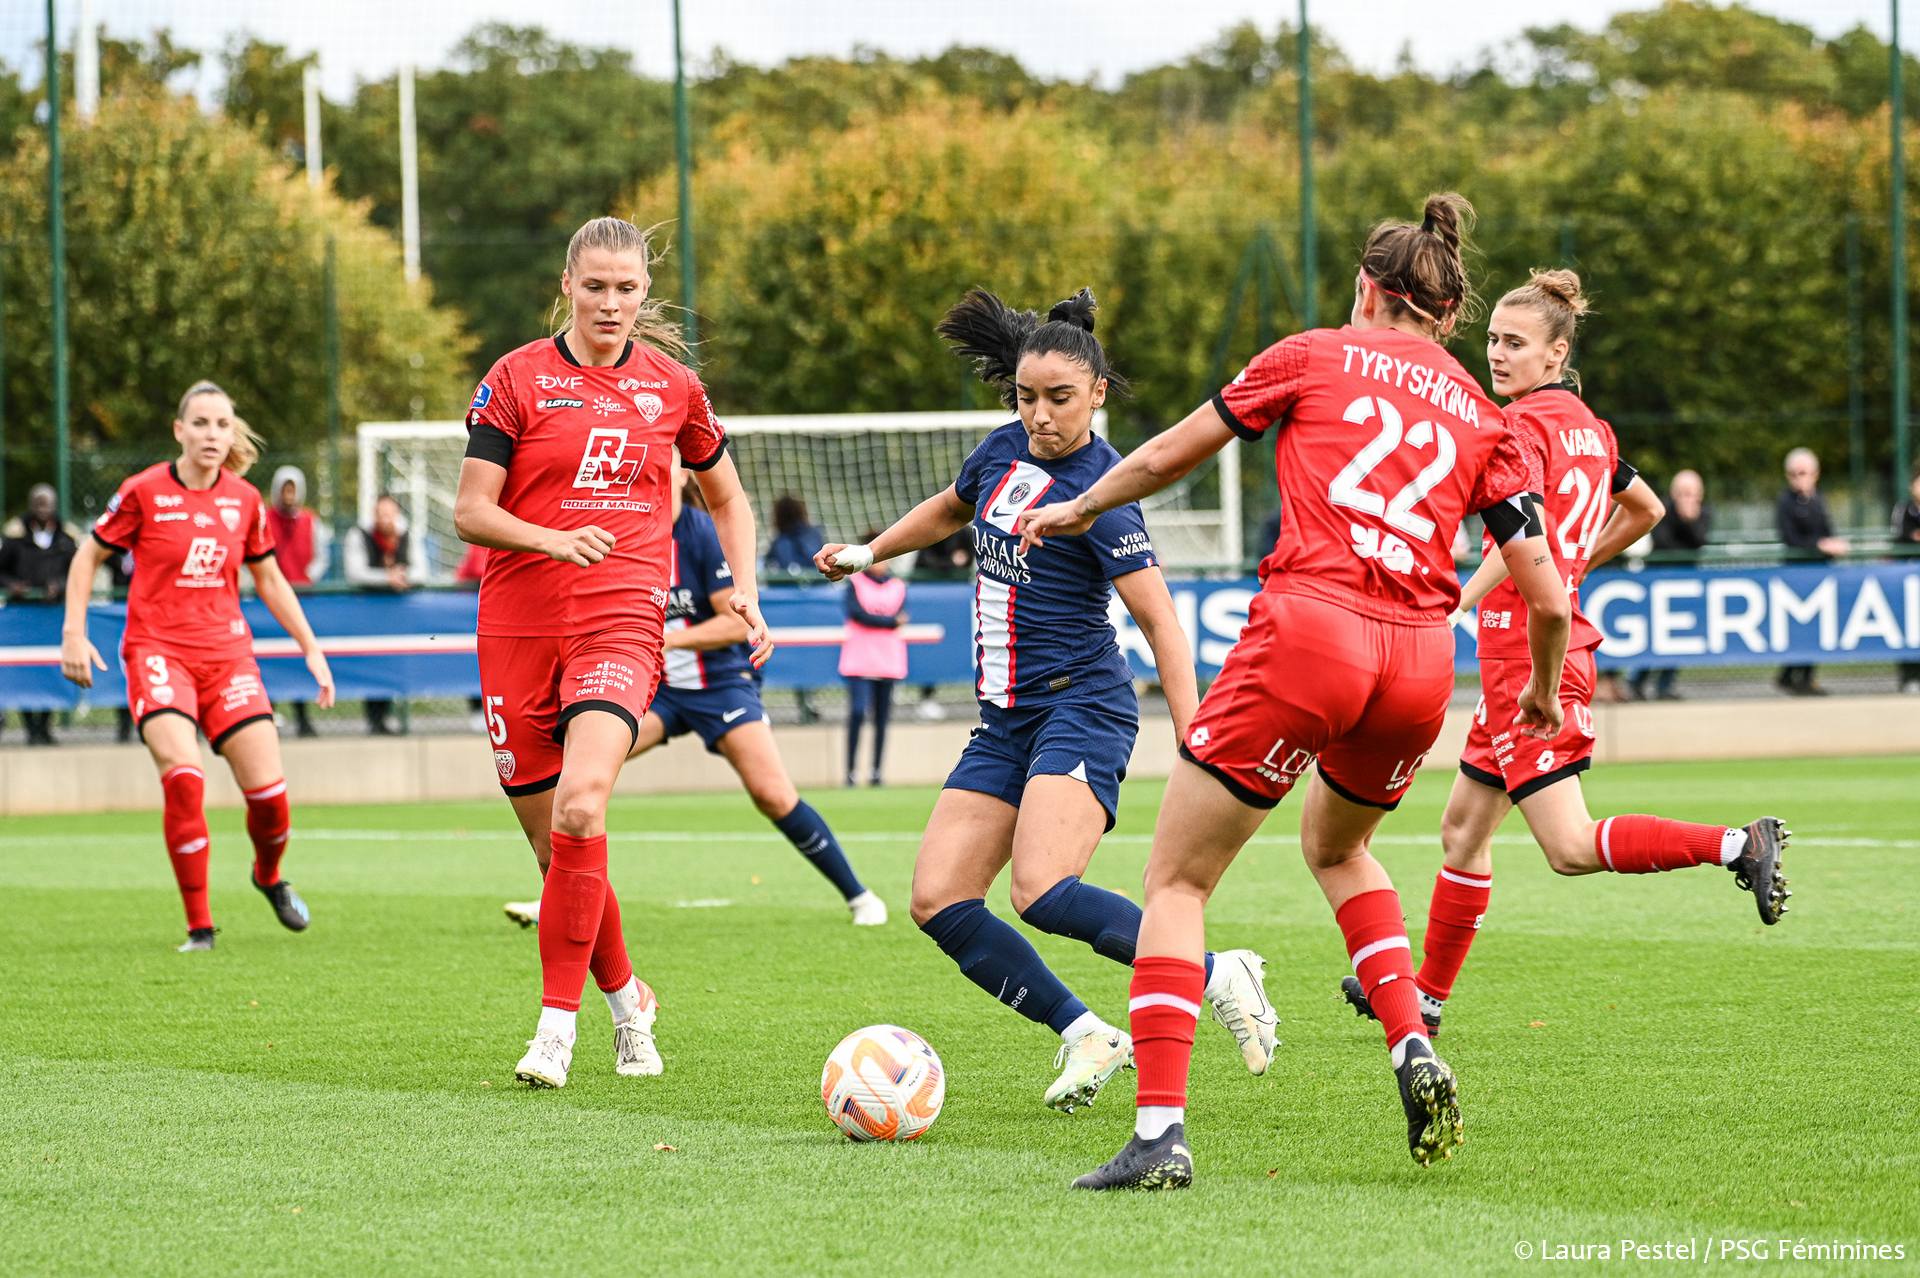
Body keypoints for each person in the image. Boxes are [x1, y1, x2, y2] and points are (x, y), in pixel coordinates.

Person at [1021, 195, 1572, 1188]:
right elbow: (1550, 598)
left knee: (1179, 883)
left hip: (1311, 633)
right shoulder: (1487, 418)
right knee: (1341, 848)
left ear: (1366, 287)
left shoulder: (1312, 354)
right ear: (1450, 318)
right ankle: (1410, 1040)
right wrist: (1537, 692)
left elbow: (1164, 454)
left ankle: (1159, 1135)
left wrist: (1083, 505)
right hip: (1416, 665)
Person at [817, 287, 1275, 1116]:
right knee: (937, 900)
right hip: (1004, 721)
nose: (1040, 415)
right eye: (1027, 398)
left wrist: (1192, 735)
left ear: (1097, 392)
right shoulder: (999, 454)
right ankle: (1086, 1031)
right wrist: (871, 551)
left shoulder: (1104, 492)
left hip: (1083, 708)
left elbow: (1162, 622)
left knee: (1042, 890)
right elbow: (950, 509)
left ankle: (1217, 972)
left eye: (1059, 398)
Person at [1336, 270, 1790, 1062]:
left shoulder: (1517, 428)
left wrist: (1456, 601)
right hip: (1534, 639)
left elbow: (1523, 547)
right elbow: (1642, 509)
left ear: (1557, 351)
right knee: (1462, 833)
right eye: (1492, 341)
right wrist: (1573, 568)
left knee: (1569, 847)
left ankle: (1737, 845)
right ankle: (1430, 999)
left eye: (1515, 343)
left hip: (1530, 655)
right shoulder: (1591, 427)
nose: (1499, 355)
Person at [454, 215, 771, 1090]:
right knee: (556, 850)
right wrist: (550, 540)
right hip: (516, 628)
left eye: (626, 288)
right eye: (594, 285)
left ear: (644, 294)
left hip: (619, 620)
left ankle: (556, 1030)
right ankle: (630, 999)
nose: (610, 302)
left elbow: (729, 497)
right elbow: (472, 512)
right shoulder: (515, 378)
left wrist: (744, 586)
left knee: (583, 808)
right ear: (567, 285)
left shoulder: (673, 388)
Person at [503, 459, 882, 929]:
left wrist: (658, 638)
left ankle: (860, 895)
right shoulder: (624, 525)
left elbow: (730, 623)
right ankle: (561, 894)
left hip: (720, 686)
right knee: (574, 775)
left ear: (685, 475)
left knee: (772, 794)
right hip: (656, 692)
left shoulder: (701, 533)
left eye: (670, 462)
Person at [59, 382, 336, 951]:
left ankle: (267, 876)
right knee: (185, 779)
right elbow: (89, 554)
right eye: (202, 423)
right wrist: (73, 632)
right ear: (179, 430)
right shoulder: (143, 491)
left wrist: (310, 645)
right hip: (157, 651)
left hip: (228, 657)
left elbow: (268, 577)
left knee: (271, 799)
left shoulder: (245, 500)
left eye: (222, 425)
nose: (213, 434)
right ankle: (200, 927)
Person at [1, 484, 79, 745]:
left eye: (46, 504)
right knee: (25, 670)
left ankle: (45, 726)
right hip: (23, 615)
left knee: (51, 669)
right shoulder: (14, 537)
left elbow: (77, 572)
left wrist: (60, 585)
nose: (42, 509)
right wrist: (13, 585)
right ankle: (30, 728)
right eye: (37, 503)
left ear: (54, 506)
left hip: (52, 614)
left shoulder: (66, 539)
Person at [1629, 469, 1711, 701]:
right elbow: (1663, 543)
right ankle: (1636, 682)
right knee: (1654, 636)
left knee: (1678, 636)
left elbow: (1700, 542)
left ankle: (1666, 685)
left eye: (1692, 493)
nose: (1688, 498)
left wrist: (1690, 520)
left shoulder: (1703, 513)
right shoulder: (1662, 509)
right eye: (1683, 493)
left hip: (1686, 584)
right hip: (1659, 583)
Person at [1774, 448, 1849, 696]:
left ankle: (1804, 678)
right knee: (1799, 626)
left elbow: (1827, 530)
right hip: (1796, 574)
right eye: (1794, 474)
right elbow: (1790, 538)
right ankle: (1790, 676)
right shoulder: (1785, 502)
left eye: (1803, 473)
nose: (1799, 478)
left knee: (1816, 625)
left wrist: (1833, 545)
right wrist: (1819, 545)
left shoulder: (1819, 500)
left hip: (1819, 573)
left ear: (1815, 474)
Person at [265, 465, 328, 737]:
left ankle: (303, 716)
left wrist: (307, 575)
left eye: (293, 489)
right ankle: (270, 713)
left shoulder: (311, 521)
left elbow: (321, 556)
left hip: (303, 598)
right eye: (285, 489)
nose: (289, 495)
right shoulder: (264, 519)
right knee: (270, 659)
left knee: (300, 657)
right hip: (271, 599)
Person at [346, 493, 416, 734]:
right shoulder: (360, 534)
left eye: (390, 513)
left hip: (398, 613)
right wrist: (387, 578)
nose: (386, 519)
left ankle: (389, 717)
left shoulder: (407, 535)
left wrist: (402, 577)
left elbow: (421, 570)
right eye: (381, 513)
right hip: (369, 611)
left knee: (394, 661)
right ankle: (374, 718)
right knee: (371, 661)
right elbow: (355, 572)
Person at [840, 533, 905, 786]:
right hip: (859, 658)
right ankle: (850, 771)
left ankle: (877, 771)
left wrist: (889, 622)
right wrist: (889, 622)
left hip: (888, 659)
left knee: (882, 718)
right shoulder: (854, 583)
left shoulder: (897, 586)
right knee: (857, 713)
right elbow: (858, 614)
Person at [1896, 470, 1920, 693]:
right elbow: (1902, 535)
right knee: (1909, 627)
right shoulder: (1904, 509)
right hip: (1908, 577)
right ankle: (1909, 676)